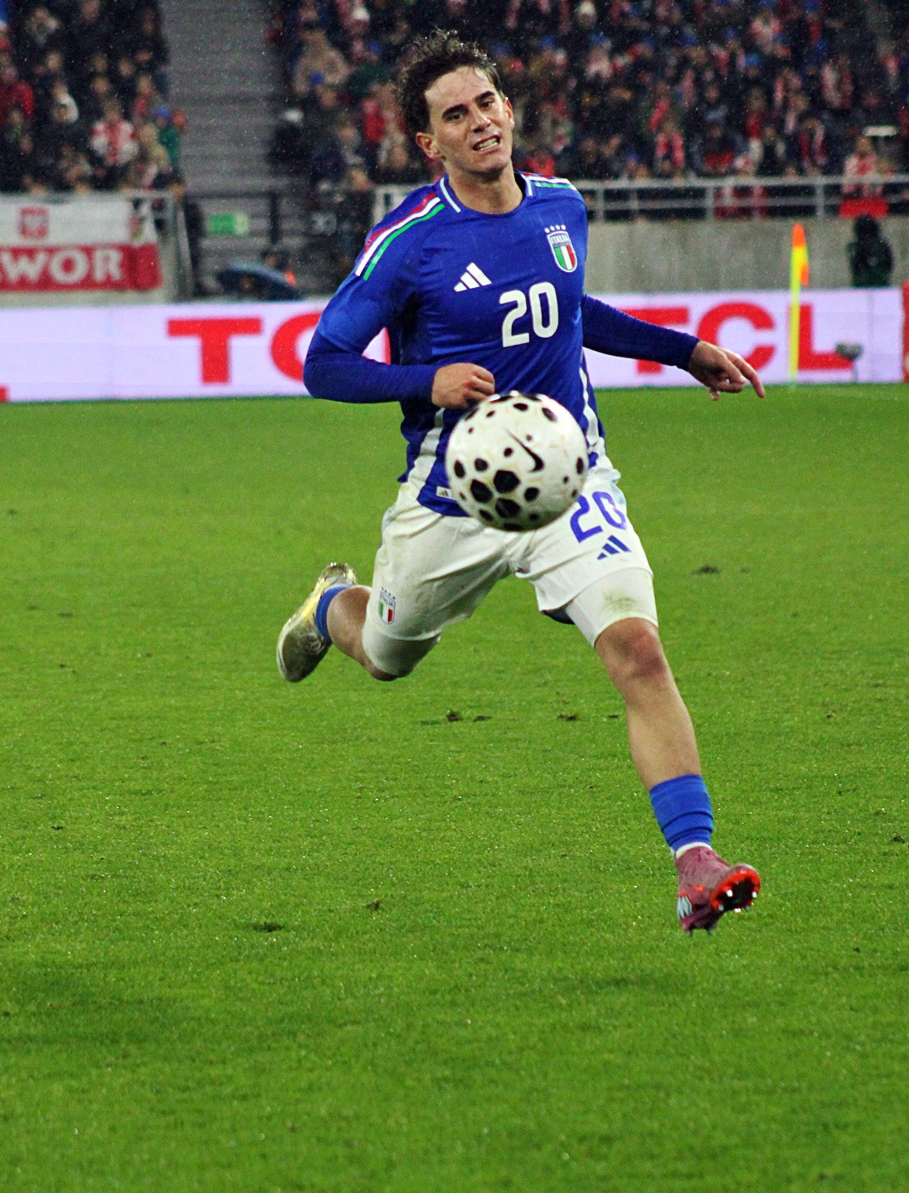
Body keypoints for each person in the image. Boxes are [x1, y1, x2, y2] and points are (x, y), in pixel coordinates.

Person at [275, 33, 766, 934]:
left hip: (570, 476)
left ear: (508, 109)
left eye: (486, 103)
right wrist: (424, 380)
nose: (479, 123)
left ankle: (694, 861)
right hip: (451, 495)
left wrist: (683, 350)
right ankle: (329, 606)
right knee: (385, 655)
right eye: (454, 115)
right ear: (429, 142)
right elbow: (323, 362)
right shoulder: (408, 242)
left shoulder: (562, 207)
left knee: (638, 650)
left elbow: (574, 310)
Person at [848, 213, 894, 287]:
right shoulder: (882, 245)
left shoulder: (855, 247)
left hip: (864, 284)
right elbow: (889, 265)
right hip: (880, 283)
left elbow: (855, 268)